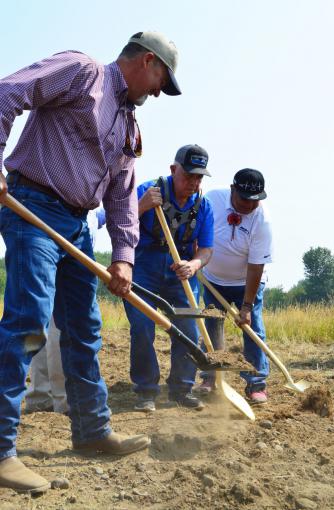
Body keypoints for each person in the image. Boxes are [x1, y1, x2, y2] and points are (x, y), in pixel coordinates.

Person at [0, 30, 181, 493]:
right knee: (28, 322)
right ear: (147, 62)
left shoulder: (129, 125)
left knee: (84, 330)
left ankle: (92, 430)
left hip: (79, 225)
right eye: (162, 79)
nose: (160, 91)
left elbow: (121, 198)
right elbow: (9, 91)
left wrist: (124, 257)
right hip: (33, 208)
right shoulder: (82, 73)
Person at [123, 144, 214, 413]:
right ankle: (146, 392)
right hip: (144, 266)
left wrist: (195, 264)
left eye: (199, 177)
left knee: (188, 331)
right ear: (173, 170)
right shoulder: (147, 191)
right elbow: (122, 223)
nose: (193, 182)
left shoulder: (203, 205)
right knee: (142, 328)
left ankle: (182, 389)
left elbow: (207, 249)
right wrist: (141, 207)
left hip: (181, 271)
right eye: (188, 176)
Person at [198, 169, 272, 405]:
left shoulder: (262, 220)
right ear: (232, 190)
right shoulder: (211, 200)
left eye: (255, 200)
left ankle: (256, 383)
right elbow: (196, 233)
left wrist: (247, 306)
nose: (250, 206)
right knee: (212, 328)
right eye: (244, 199)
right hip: (211, 280)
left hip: (246, 284)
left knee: (253, 331)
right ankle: (210, 378)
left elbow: (255, 265)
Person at [25, 207, 106, 415]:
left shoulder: (94, 213)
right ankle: (63, 400)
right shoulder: (80, 208)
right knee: (58, 333)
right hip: (63, 268)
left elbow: (107, 215)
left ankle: (39, 396)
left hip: (43, 258)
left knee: (39, 327)